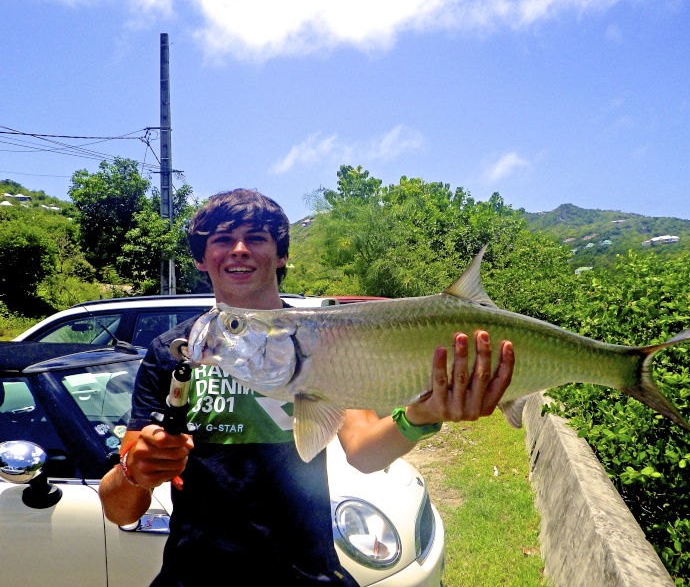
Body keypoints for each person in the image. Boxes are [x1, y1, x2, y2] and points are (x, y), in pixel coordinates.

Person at [99, 188, 515, 586]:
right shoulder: (172, 353)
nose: (239, 249)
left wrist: (423, 415)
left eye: (256, 239)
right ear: (202, 259)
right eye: (223, 239)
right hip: (196, 574)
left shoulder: (325, 335)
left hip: (305, 572)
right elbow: (120, 510)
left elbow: (365, 451)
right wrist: (135, 472)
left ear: (280, 255)